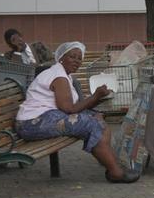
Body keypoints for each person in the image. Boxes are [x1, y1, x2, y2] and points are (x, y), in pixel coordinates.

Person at [15, 42, 140, 183]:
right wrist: (95, 96)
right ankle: (115, 172)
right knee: (89, 123)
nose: (76, 61)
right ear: (61, 58)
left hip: (44, 118)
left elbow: (74, 107)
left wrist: (99, 98)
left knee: (96, 117)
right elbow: (69, 109)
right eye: (72, 57)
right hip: (32, 123)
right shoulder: (58, 76)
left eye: (79, 58)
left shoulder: (64, 75)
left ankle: (109, 161)